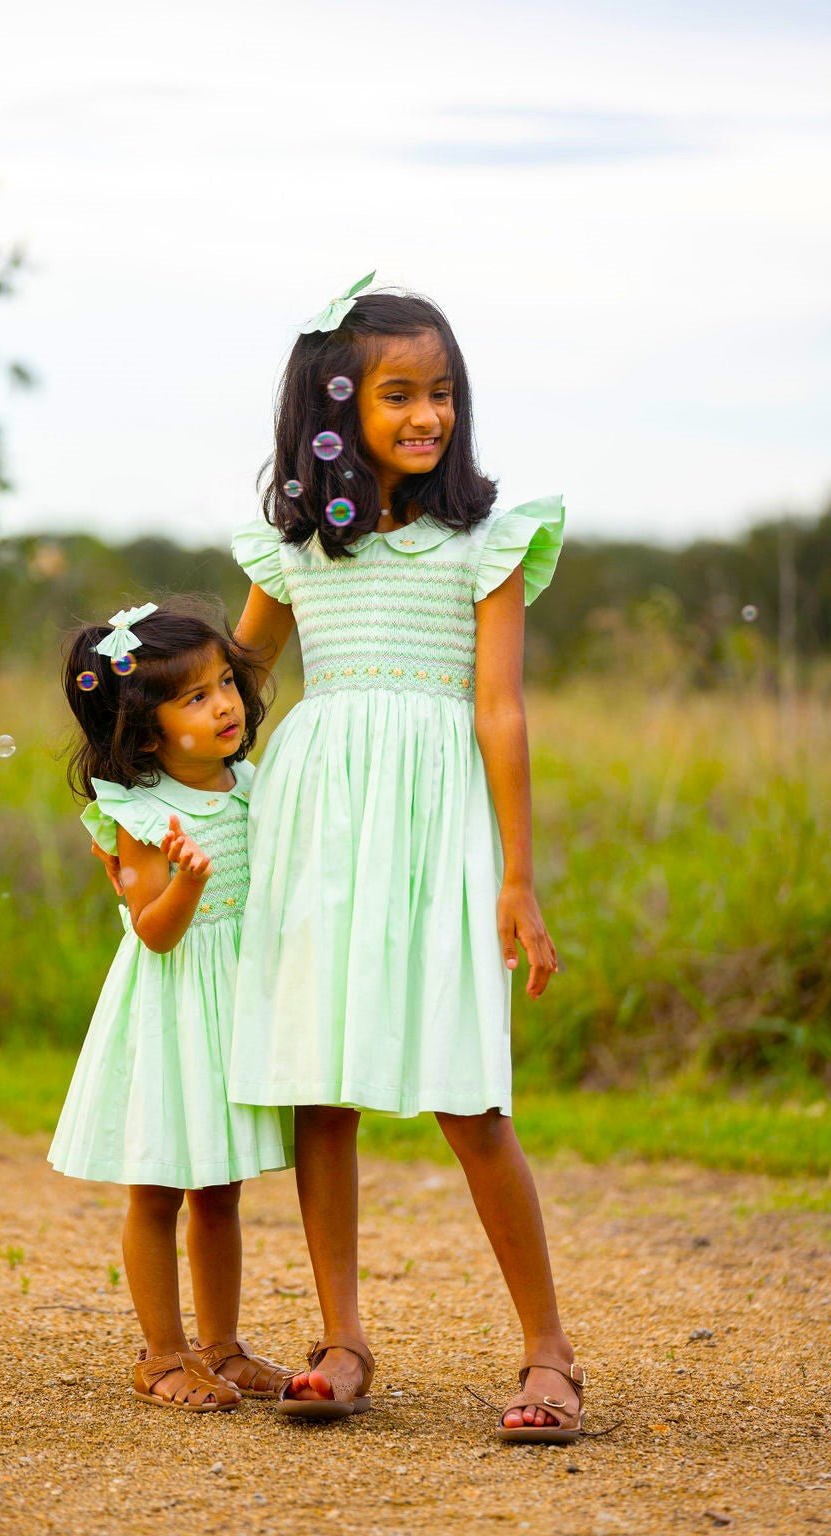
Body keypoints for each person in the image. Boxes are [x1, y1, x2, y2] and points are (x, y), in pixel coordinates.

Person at [226, 277, 586, 1437]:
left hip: (441, 822)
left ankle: (547, 1355)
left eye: (440, 393)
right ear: (334, 407)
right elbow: (234, 691)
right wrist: (155, 773)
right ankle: (340, 1341)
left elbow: (501, 710)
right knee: (319, 1096)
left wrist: (519, 876)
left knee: (469, 1096)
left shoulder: (485, 539)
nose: (426, 415)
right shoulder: (292, 548)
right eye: (398, 395)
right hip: (317, 819)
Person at [51, 599, 294, 1412]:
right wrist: (186, 880)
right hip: (171, 1006)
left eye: (226, 683)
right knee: (158, 1187)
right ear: (145, 732)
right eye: (195, 696)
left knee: (220, 1185)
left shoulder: (251, 786)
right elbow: (154, 934)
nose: (226, 704)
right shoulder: (138, 813)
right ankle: (162, 1353)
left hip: (233, 1003)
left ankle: (222, 1347)